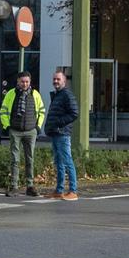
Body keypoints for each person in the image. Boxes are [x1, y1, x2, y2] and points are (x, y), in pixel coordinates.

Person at [0, 71, 46, 197]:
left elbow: (42, 111)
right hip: (15, 130)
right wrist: (7, 126)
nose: (25, 84)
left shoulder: (35, 94)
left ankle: (30, 186)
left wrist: (38, 127)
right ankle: (14, 186)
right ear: (18, 82)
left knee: (30, 159)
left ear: (30, 82)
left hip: (31, 131)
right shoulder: (11, 94)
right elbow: (3, 110)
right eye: (22, 81)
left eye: (27, 82)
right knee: (15, 159)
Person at [46, 67, 80, 200]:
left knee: (67, 161)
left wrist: (59, 123)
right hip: (56, 133)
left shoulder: (66, 95)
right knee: (59, 161)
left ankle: (73, 190)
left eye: (58, 79)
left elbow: (74, 113)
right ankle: (59, 190)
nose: (55, 81)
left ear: (64, 81)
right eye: (54, 79)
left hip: (62, 133)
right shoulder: (58, 95)